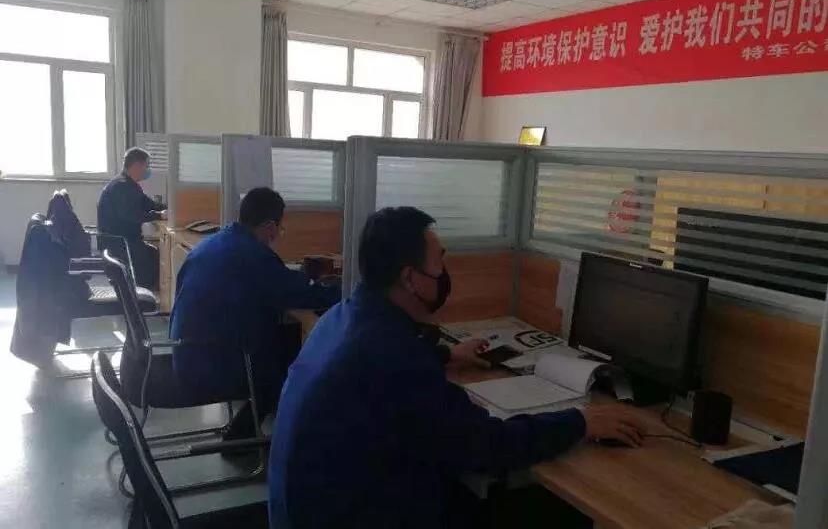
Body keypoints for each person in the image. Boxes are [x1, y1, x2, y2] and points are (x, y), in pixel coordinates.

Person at [268, 206, 648, 529]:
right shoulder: (395, 356)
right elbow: (485, 445)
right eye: (440, 262)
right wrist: (580, 422)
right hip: (351, 515)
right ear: (410, 279)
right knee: (546, 513)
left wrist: (446, 357)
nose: (445, 272)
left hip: (307, 508)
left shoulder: (343, 317)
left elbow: (378, 375)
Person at [170, 187, 340, 439]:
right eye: (279, 229)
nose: (277, 235)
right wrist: (344, 288)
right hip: (212, 364)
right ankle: (265, 436)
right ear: (270, 226)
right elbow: (301, 294)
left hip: (188, 352)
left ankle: (245, 431)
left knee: (286, 338)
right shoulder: (252, 255)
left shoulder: (216, 241)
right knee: (297, 358)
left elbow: (279, 284)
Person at [97, 147, 166, 289]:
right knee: (156, 259)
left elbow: (148, 204)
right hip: (120, 243)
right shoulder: (121, 186)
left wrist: (170, 209)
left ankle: (147, 291)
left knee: (156, 255)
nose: (148, 170)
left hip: (125, 240)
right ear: (136, 166)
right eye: (146, 165)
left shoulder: (130, 185)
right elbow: (130, 215)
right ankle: (144, 293)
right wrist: (158, 215)